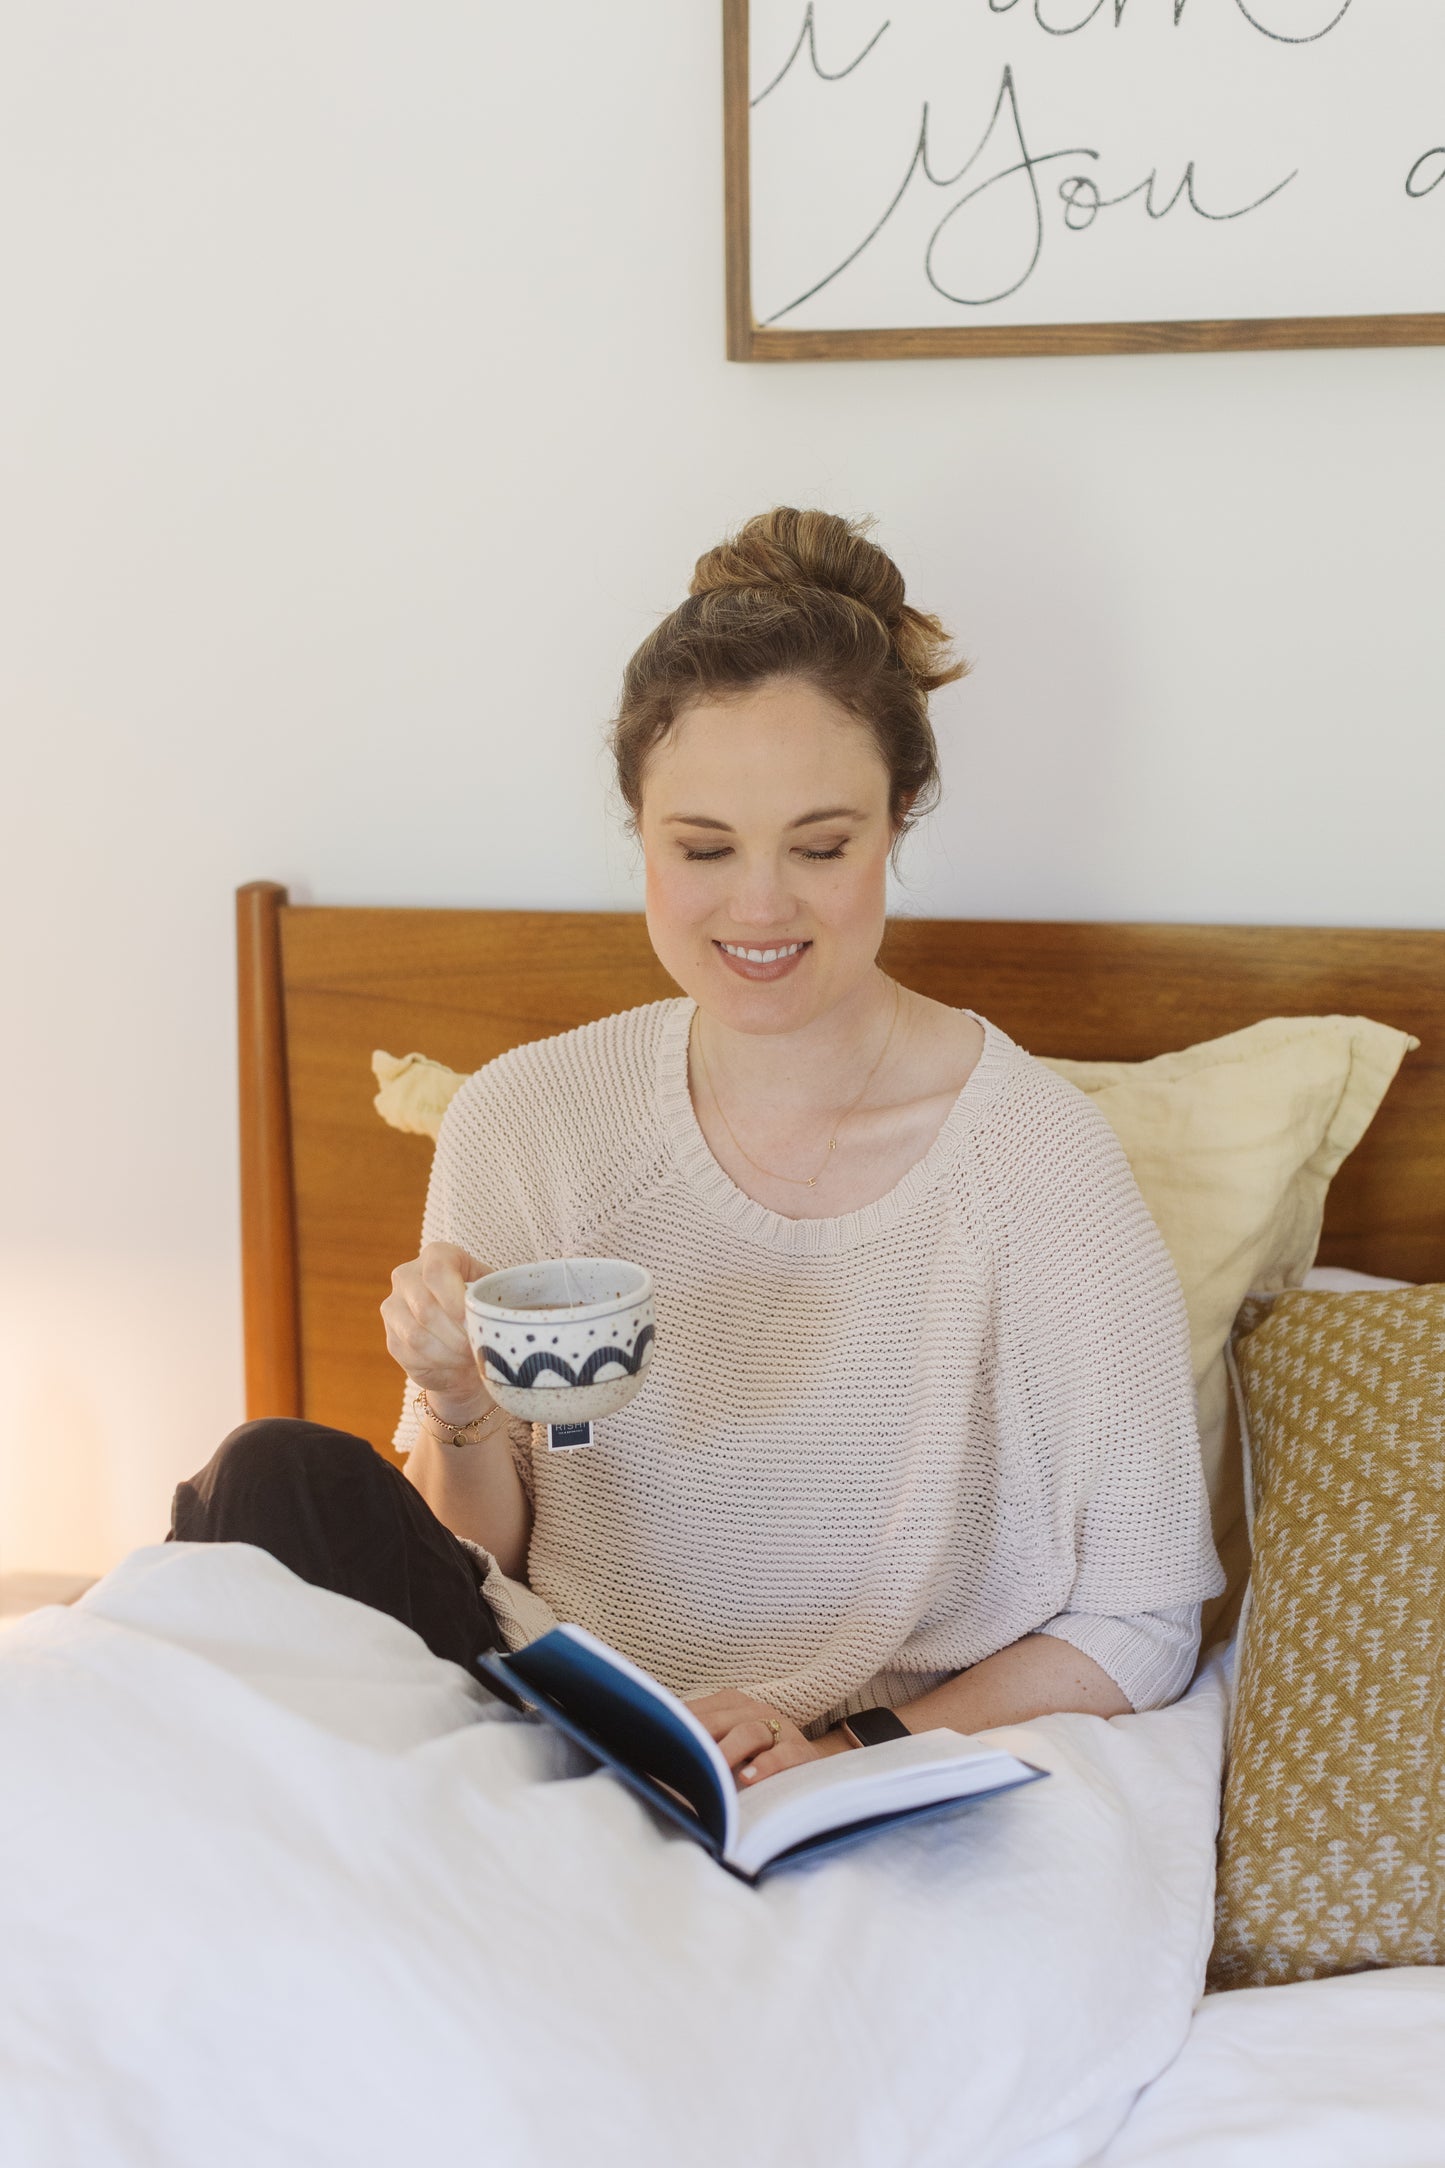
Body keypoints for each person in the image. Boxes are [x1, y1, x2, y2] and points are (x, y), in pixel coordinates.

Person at [174, 506, 1224, 1790]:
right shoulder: (529, 1117)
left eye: (820, 847)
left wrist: (835, 1746)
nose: (761, 905)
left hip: (832, 1772)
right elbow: (474, 1564)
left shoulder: (1036, 1165)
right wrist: (455, 1402)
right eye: (704, 849)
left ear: (899, 819)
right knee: (271, 1477)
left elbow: (1142, 1622)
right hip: (537, 1712)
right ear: (638, 833)